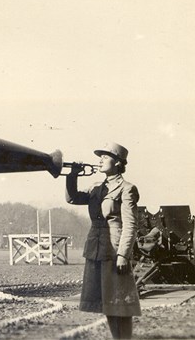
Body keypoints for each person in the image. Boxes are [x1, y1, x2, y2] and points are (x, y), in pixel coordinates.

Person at [66, 142, 141, 339]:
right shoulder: (96, 187)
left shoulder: (127, 189)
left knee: (120, 303)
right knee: (107, 303)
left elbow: (130, 225)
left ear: (117, 162)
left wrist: (124, 254)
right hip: (95, 249)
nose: (100, 160)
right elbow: (72, 198)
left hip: (114, 250)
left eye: (105, 156)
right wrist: (72, 174)